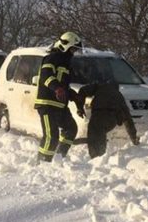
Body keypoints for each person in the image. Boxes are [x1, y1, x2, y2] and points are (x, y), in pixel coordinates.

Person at [34, 32, 82, 162]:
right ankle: (43, 162)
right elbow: (46, 76)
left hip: (60, 105)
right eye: (72, 49)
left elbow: (64, 85)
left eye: (75, 50)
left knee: (71, 129)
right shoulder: (51, 58)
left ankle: (59, 157)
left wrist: (72, 94)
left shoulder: (67, 64)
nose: (73, 52)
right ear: (64, 46)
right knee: (51, 136)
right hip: (47, 104)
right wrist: (57, 88)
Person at [74, 82, 139, 158]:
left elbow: (83, 91)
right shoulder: (119, 96)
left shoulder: (99, 86)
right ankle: (101, 156)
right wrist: (133, 137)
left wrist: (80, 107)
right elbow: (128, 119)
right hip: (111, 119)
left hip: (97, 116)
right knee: (100, 133)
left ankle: (95, 156)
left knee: (93, 134)